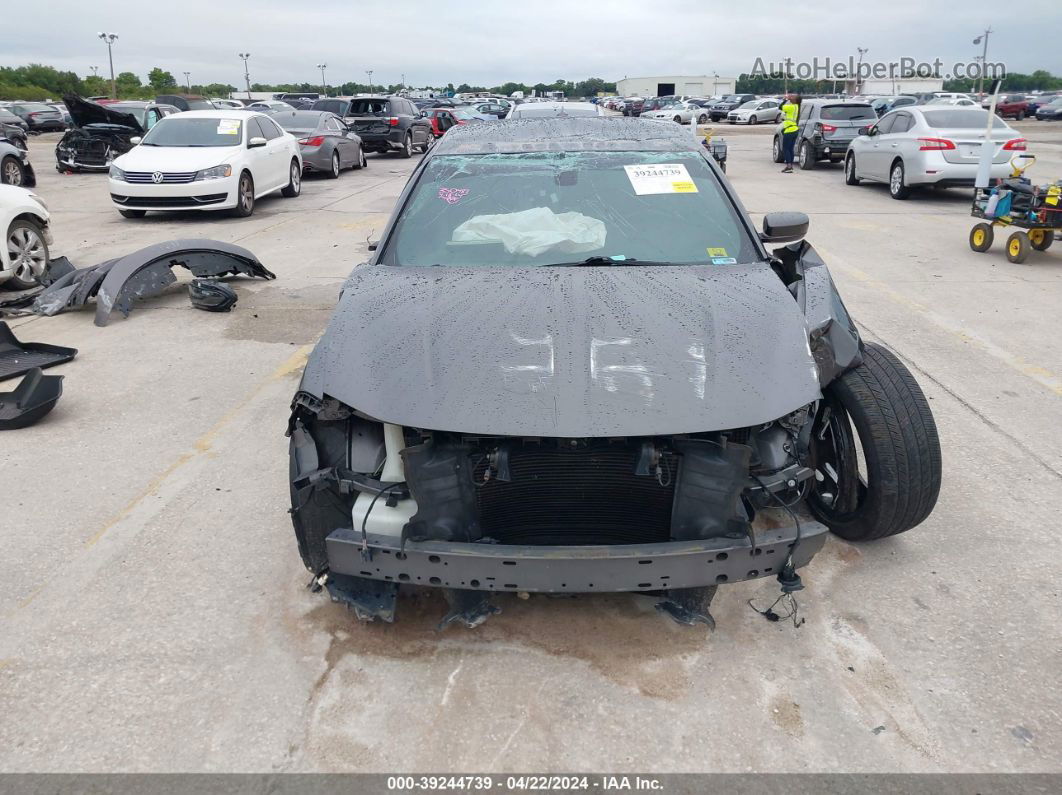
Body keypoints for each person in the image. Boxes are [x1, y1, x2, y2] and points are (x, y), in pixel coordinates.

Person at [779, 93, 800, 173]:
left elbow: (780, 107)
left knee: (785, 148)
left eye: (792, 97)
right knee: (790, 149)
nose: (790, 97)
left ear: (795, 100)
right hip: (794, 129)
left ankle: (789, 166)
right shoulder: (796, 106)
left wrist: (785, 99)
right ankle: (790, 165)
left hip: (789, 130)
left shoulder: (791, 107)